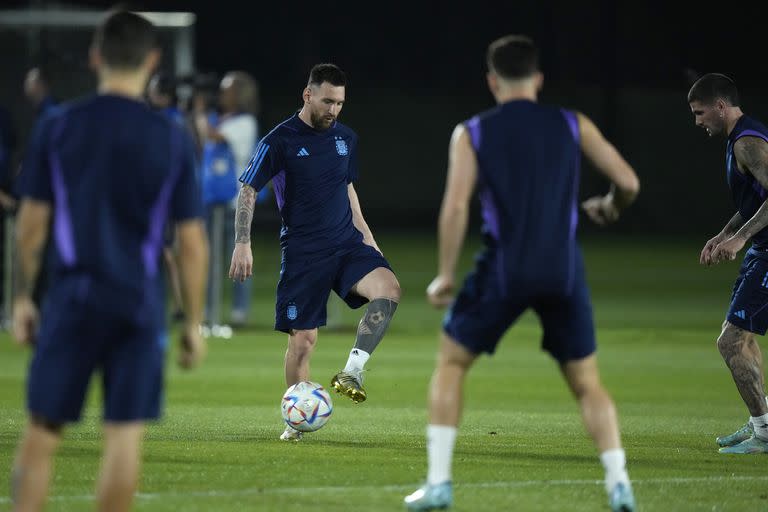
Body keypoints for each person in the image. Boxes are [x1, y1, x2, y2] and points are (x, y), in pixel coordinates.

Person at [403, 35, 640, 511]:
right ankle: (619, 484)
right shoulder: (573, 123)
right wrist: (612, 208)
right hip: (563, 268)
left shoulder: (472, 132)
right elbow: (629, 182)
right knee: (587, 384)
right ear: (538, 78)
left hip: (506, 267)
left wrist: (445, 274)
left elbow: (454, 207)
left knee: (451, 363)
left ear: (492, 80)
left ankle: (439, 484)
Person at [9, 9, 208, 512]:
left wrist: (22, 298)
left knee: (41, 432)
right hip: (138, 304)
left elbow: (31, 225)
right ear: (153, 60)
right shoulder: (171, 137)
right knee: (122, 438)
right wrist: (194, 321)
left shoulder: (58, 126)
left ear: (96, 56)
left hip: (72, 298)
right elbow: (191, 242)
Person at [229, 63, 401, 441]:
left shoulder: (347, 139)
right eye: (327, 101)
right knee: (303, 340)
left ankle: (353, 370)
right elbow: (247, 189)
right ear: (308, 95)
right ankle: (295, 420)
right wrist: (243, 241)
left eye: (340, 103)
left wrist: (368, 239)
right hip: (304, 252)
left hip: (345, 245)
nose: (334, 110)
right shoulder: (279, 140)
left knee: (388, 290)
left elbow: (348, 191)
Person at [690, 73, 768, 454]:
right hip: (762, 249)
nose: (698, 121)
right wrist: (724, 234)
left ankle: (765, 435)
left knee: (730, 343)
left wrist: (740, 238)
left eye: (700, 112)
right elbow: (753, 202)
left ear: (721, 106)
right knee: (740, 336)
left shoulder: (749, 143)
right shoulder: (738, 138)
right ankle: (763, 422)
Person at [197, 70, 261, 329]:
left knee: (238, 260)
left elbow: (210, 136)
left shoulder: (244, 122)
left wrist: (198, 111)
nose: (221, 94)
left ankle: (239, 313)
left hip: (237, 205)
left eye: (227, 89)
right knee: (209, 261)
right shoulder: (222, 118)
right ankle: (208, 312)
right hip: (213, 201)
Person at [147, 70, 192, 323]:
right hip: (178, 193)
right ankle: (179, 304)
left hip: (164, 195)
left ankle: (178, 305)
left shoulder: (164, 121)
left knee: (166, 251)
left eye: (154, 90)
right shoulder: (181, 118)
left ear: (164, 96)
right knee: (172, 250)